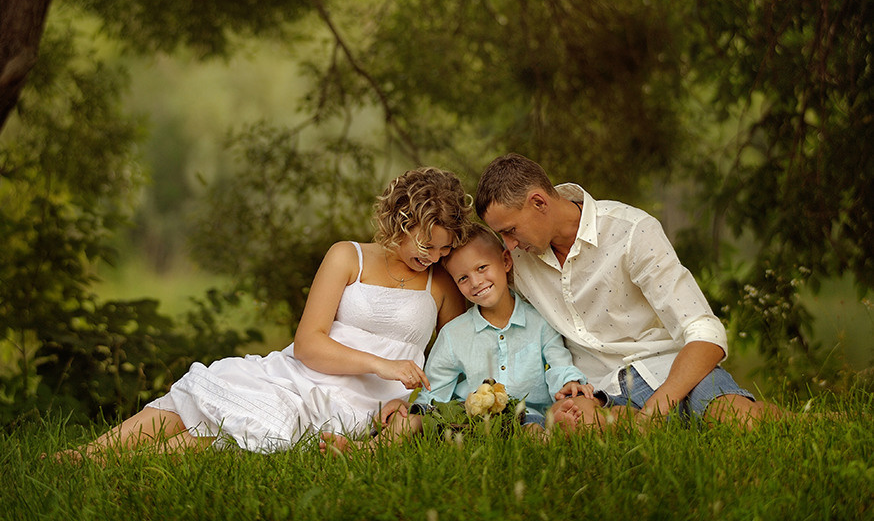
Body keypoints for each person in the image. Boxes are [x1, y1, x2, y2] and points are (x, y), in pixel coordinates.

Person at [56, 167, 471, 459]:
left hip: (367, 405)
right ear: (400, 222)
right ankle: (86, 456)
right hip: (304, 372)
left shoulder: (443, 284)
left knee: (247, 432)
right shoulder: (349, 256)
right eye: (424, 245)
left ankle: (126, 464)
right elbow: (309, 345)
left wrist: (411, 401)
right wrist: (383, 365)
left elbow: (455, 364)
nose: (434, 257)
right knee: (207, 396)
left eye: (444, 248)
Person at [474, 153, 787, 431]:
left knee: (736, 421)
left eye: (510, 230)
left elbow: (705, 333)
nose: (509, 244)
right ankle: (653, 424)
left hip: (672, 372)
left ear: (539, 202)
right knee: (573, 427)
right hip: (600, 390)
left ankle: (802, 419)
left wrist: (653, 412)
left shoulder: (631, 231)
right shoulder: (515, 259)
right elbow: (456, 259)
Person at [321, 224, 598, 451]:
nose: (476, 282)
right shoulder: (454, 334)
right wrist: (412, 407)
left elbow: (558, 360)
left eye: (481, 268)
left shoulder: (539, 321)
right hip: (470, 417)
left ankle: (551, 437)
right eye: (463, 278)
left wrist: (568, 381)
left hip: (527, 413)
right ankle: (369, 449)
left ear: (504, 261)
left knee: (532, 426)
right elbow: (435, 390)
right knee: (416, 418)